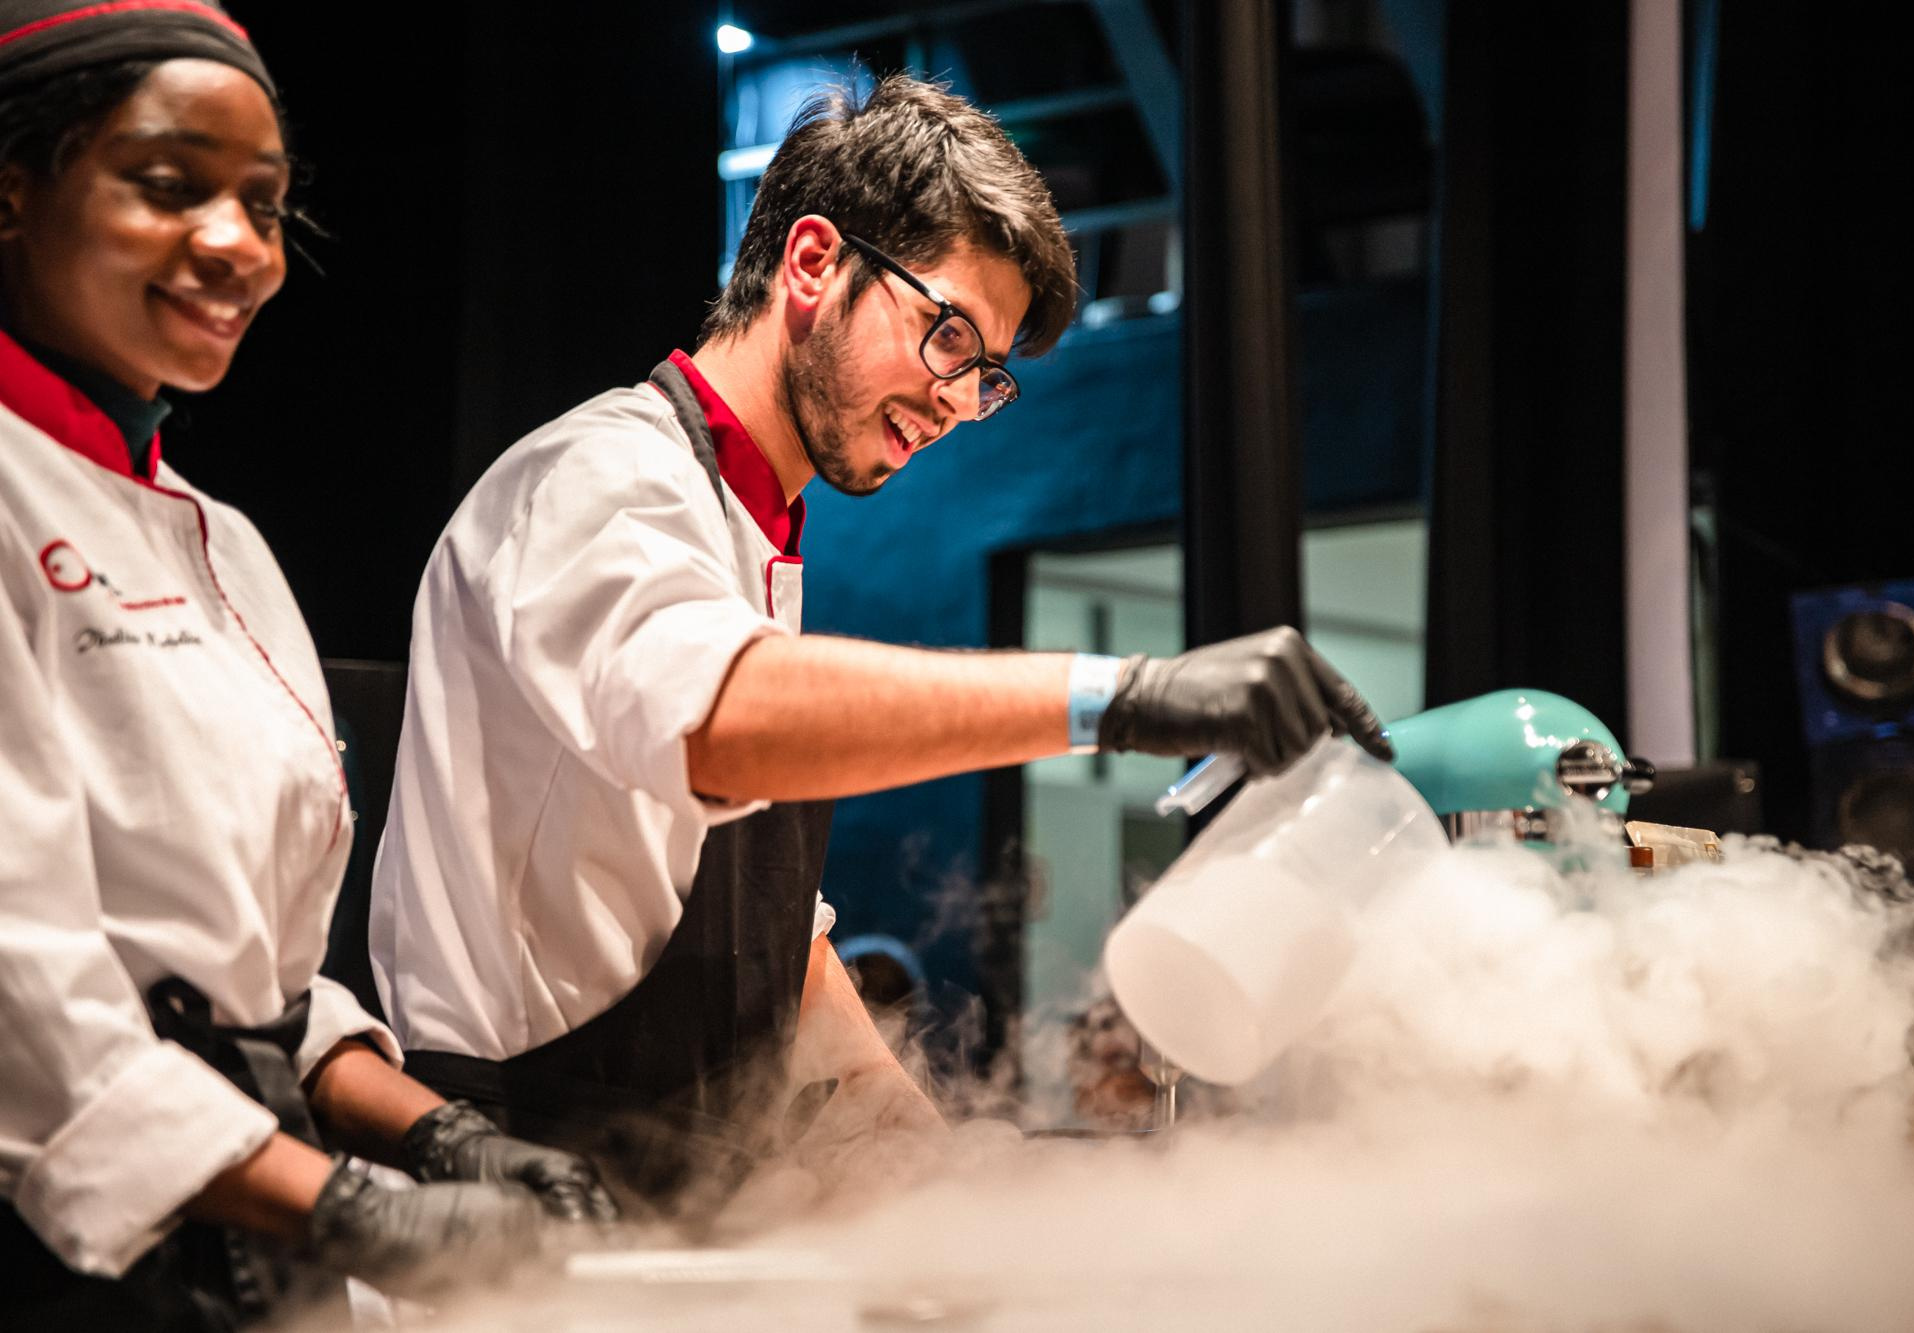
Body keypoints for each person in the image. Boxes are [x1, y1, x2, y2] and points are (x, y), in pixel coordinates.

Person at [369, 74, 1393, 1211]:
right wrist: (1124, 697)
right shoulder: (600, 480)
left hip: (666, 1212)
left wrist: (947, 1179)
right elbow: (725, 722)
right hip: (507, 1209)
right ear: (812, 262)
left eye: (984, 374)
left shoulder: (749, 539)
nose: (955, 402)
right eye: (944, 333)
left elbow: (776, 959)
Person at [0, 4, 615, 1326]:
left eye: (264, 205)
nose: (234, 246)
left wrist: (437, 1137)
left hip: (249, 1249)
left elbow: (254, 988)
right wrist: (343, 1206)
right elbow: (22, 992)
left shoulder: (228, 543)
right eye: (167, 186)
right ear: (12, 192)